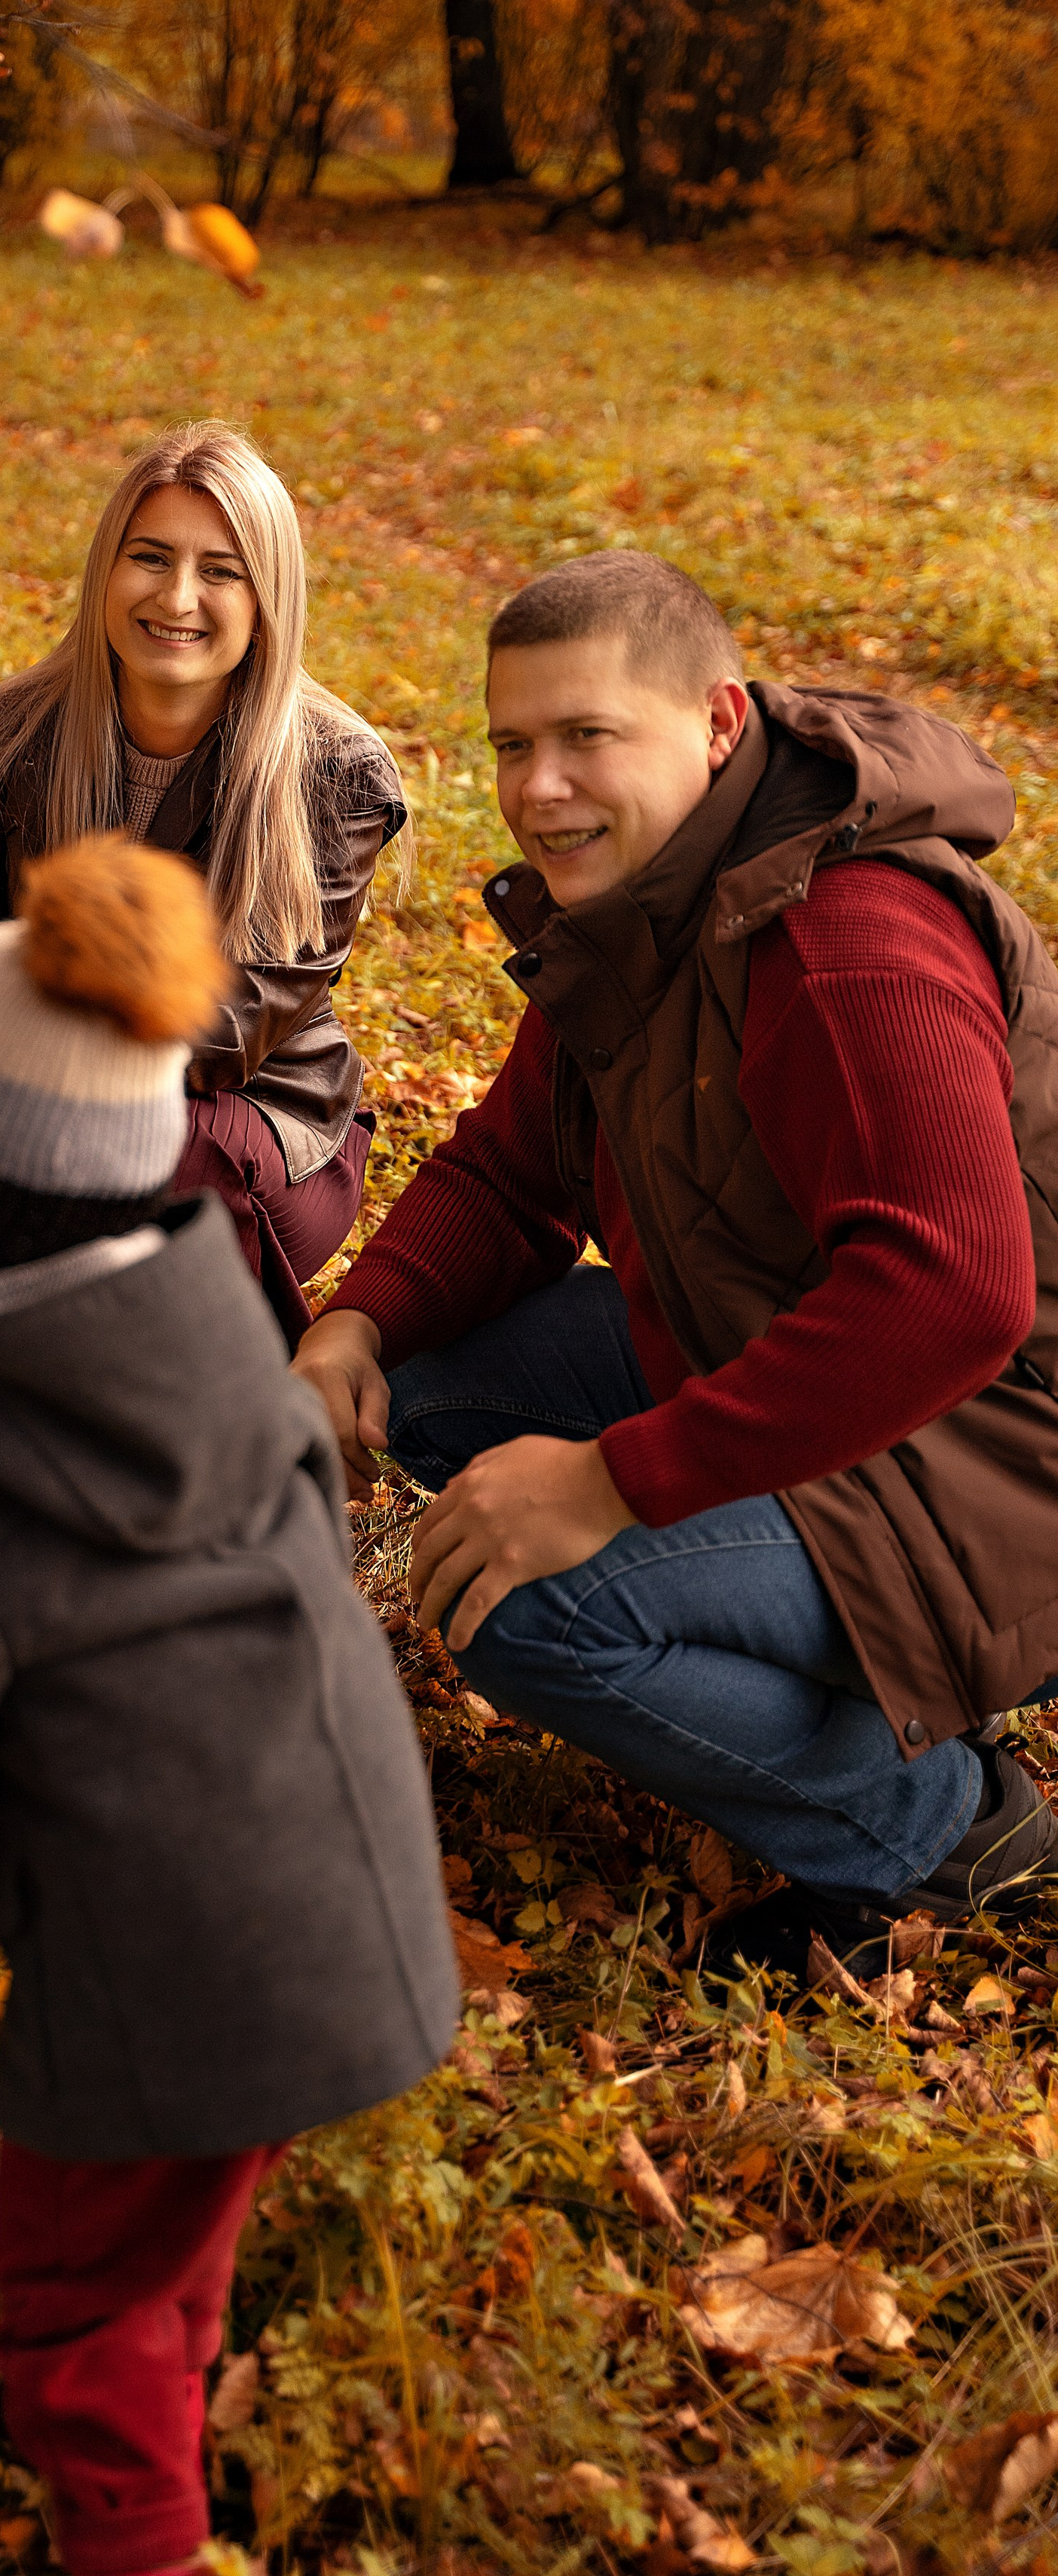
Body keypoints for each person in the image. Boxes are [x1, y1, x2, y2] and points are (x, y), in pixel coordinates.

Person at [0, 834, 457, 2576]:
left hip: (164, 1971)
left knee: (75, 2311)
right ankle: (177, 2361)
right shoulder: (216, 1337)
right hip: (353, 1902)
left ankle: (134, 2532)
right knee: (179, 2216)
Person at [292, 546, 1058, 1978]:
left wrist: (608, 1481)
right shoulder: (652, 899)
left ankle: (945, 1828)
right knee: (439, 1386)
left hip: (999, 1455)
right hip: (826, 1372)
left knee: (522, 1601)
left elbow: (955, 1293)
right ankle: (866, 1674)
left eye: (589, 736)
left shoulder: (850, 941)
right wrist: (356, 1330)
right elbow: (515, 1173)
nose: (540, 787)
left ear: (715, 725)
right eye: (513, 743)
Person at [0, 418, 407, 1341]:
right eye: (150, 557)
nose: (179, 596)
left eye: (221, 569)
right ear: (105, 573)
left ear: (267, 598)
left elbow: (235, 1024)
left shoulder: (334, 773)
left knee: (172, 1146)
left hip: (259, 1131)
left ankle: (229, 1416)